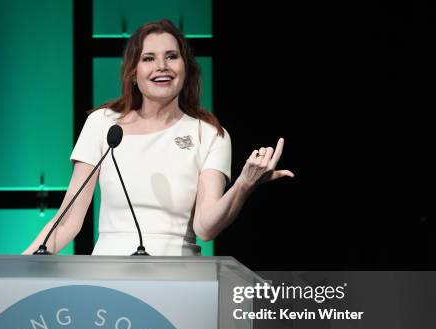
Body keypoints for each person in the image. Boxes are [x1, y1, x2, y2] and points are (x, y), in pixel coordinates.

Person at [23, 19, 293, 256]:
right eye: (148, 58)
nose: (161, 66)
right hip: (108, 276)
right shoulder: (102, 124)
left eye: (172, 56)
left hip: (177, 276)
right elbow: (68, 220)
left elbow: (205, 228)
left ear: (186, 68)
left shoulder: (209, 134)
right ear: (133, 72)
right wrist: (19, 267)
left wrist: (244, 185)